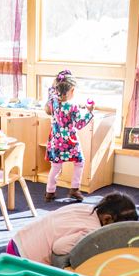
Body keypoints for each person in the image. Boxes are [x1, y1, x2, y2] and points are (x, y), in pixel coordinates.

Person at [6, 193, 139, 265]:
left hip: (17, 241)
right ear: (107, 219)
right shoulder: (91, 231)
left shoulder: (85, 208)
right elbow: (59, 248)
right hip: (24, 258)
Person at [44, 71, 94, 202]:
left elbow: (52, 97)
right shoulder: (73, 106)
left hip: (56, 141)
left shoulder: (53, 101)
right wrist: (89, 112)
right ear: (72, 90)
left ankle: (50, 192)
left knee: (55, 166)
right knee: (79, 162)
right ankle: (74, 189)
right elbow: (79, 124)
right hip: (70, 142)